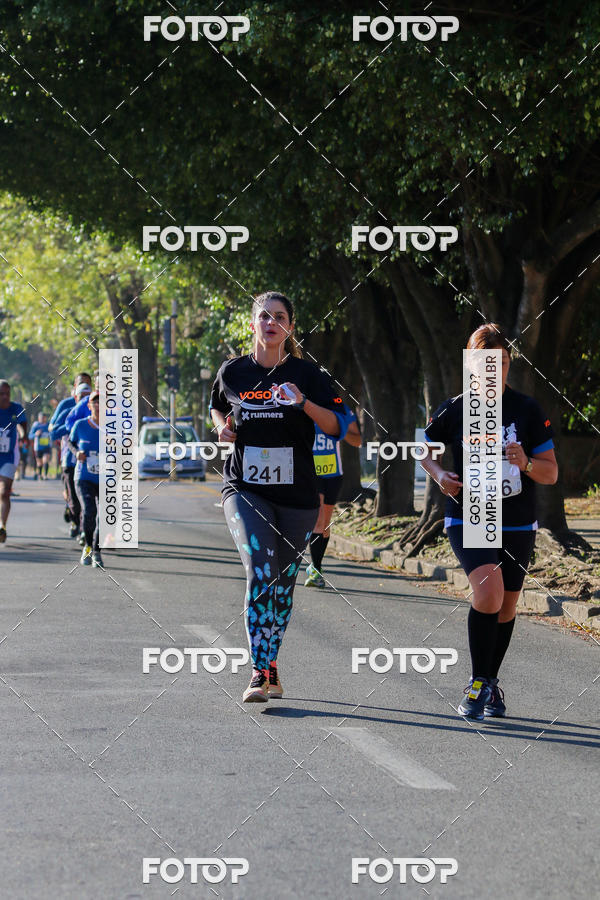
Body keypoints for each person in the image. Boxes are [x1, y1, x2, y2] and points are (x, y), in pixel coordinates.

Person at [210, 291, 345, 703]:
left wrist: (303, 404)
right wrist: (222, 428)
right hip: (244, 489)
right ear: (253, 323)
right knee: (260, 571)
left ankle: (270, 664)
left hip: (297, 497)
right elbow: (216, 407)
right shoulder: (232, 372)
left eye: (280, 317)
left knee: (283, 585)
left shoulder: (308, 375)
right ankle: (256, 672)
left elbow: (338, 425)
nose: (271, 323)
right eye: (264, 316)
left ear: (289, 326)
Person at [421, 324, 558, 720]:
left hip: (516, 520)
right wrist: (440, 475)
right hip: (470, 513)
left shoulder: (527, 411)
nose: (490, 370)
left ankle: (490, 682)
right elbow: (424, 451)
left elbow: (550, 473)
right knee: (488, 594)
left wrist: (526, 462)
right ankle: (478, 684)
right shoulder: (454, 408)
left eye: (499, 362)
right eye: (482, 362)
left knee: (506, 607)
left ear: (508, 364)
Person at [304, 405, 362, 587]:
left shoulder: (340, 410)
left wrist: (339, 430)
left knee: (325, 525)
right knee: (319, 521)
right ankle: (316, 571)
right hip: (310, 473)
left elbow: (357, 440)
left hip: (333, 473)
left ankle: (316, 566)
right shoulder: (302, 405)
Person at [50, 375, 92, 538]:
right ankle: (76, 517)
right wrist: (74, 426)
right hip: (69, 459)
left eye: (88, 394)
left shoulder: (97, 409)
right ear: (75, 393)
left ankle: (84, 529)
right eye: (81, 396)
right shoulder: (67, 408)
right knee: (73, 497)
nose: (85, 400)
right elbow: (53, 430)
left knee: (88, 498)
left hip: (90, 461)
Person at [68, 390, 102, 568]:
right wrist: (77, 453)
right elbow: (70, 442)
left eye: (101, 402)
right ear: (89, 406)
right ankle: (88, 547)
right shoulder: (80, 425)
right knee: (89, 511)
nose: (98, 405)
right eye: (94, 402)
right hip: (84, 477)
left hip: (106, 478)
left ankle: (97, 551)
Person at [0, 379, 27, 542]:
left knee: (4, 491)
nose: (5, 397)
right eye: (1, 394)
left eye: (7, 393)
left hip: (9, 455)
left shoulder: (16, 408)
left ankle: (2, 526)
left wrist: (23, 435)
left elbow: (22, 426)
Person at [29, 412, 52, 479]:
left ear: (45, 418)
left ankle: (45, 475)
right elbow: (30, 436)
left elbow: (53, 433)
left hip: (47, 446)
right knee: (39, 462)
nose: (42, 419)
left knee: (46, 460)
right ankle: (39, 474)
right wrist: (35, 434)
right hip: (38, 447)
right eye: (41, 418)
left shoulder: (48, 425)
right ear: (38, 418)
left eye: (43, 418)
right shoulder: (36, 425)